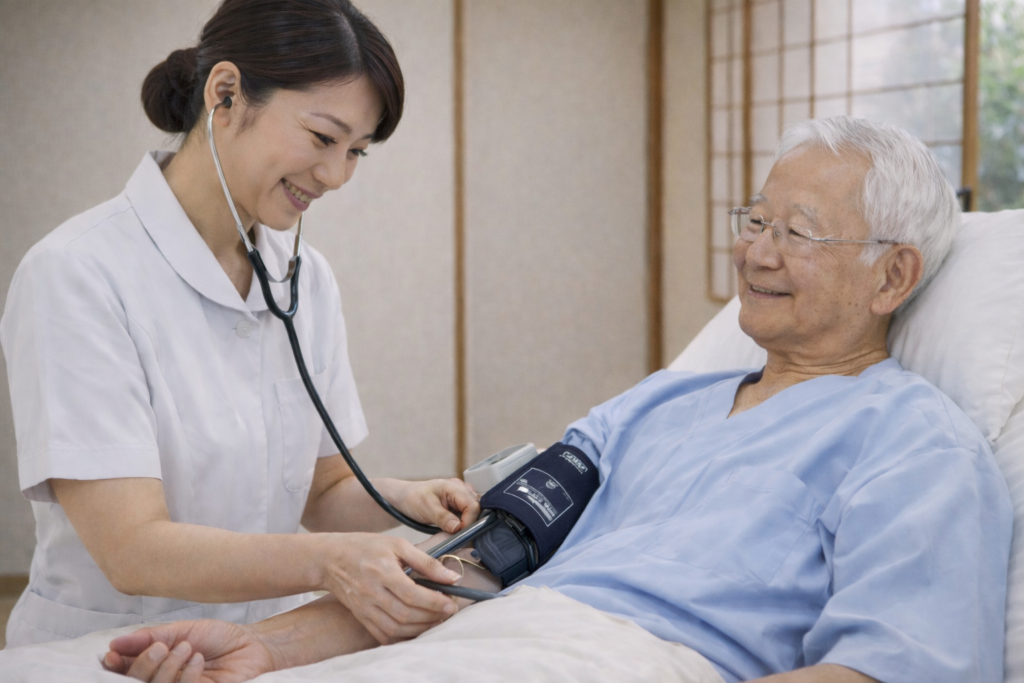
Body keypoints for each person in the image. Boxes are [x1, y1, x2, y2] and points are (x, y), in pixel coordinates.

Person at [101, 117, 1012, 683]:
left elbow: (893, 669)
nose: (757, 252)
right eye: (756, 220)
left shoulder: (915, 444)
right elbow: (472, 565)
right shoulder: (654, 407)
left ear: (894, 275)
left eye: (798, 232)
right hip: (484, 642)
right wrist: (272, 650)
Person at [0, 0, 481, 650]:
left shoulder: (305, 277)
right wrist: (331, 562)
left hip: (270, 649)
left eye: (357, 152)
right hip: (111, 652)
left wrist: (410, 499)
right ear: (225, 94)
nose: (336, 176)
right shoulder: (77, 272)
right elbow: (131, 548)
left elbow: (324, 491)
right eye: (323, 138)